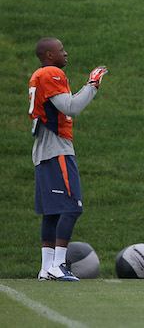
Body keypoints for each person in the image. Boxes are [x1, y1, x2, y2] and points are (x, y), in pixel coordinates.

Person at [28, 37, 107, 281]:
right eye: (61, 49)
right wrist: (92, 84)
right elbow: (70, 107)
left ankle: (46, 267)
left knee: (51, 213)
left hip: (43, 150)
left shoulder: (38, 75)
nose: (66, 52)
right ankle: (58, 265)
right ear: (49, 55)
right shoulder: (51, 73)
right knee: (73, 206)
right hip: (57, 149)